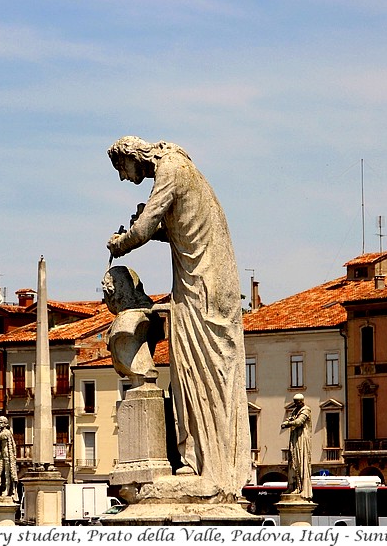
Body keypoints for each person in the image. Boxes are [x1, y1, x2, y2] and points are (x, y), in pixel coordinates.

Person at [106, 136, 250, 500]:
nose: (124, 178)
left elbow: (142, 230)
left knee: (197, 373)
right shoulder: (184, 167)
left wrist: (120, 242)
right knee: (205, 373)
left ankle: (207, 466)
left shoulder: (169, 170)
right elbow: (181, 231)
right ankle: (205, 461)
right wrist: (154, 232)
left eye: (121, 169)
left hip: (201, 288)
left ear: (132, 157)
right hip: (209, 282)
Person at [281, 394, 312, 500]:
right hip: (295, 438)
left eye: (298, 402)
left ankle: (300, 487)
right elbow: (292, 419)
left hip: (301, 438)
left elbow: (299, 422)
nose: (296, 404)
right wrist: (289, 421)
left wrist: (287, 423)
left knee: (300, 461)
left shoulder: (306, 410)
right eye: (295, 402)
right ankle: (292, 486)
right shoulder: (295, 410)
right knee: (293, 462)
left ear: (302, 401)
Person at [0, 416, 18, 500]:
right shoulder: (2, 432)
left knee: (7, 474)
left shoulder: (6, 432)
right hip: (2, 456)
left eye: (1, 422)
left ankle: (7, 490)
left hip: (8, 457)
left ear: (5, 423)